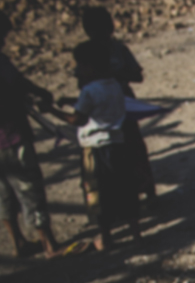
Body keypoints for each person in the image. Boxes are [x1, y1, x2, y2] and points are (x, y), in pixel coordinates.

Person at [0, 2, 60, 258]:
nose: (3, 42)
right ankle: (48, 243)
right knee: (30, 188)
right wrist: (39, 92)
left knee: (3, 192)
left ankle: (18, 242)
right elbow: (18, 83)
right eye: (1, 36)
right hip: (14, 134)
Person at [50, 40, 141, 252]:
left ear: (89, 66)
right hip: (118, 144)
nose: (77, 70)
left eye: (80, 65)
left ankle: (107, 237)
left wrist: (53, 111)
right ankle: (137, 235)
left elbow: (78, 120)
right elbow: (100, 102)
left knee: (99, 193)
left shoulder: (89, 91)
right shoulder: (115, 85)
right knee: (126, 190)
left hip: (95, 148)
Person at [81, 6, 159, 205]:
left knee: (133, 147)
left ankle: (147, 191)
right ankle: (122, 197)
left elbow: (137, 75)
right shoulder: (86, 53)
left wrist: (113, 75)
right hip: (101, 109)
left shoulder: (119, 50)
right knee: (112, 152)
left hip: (123, 103)